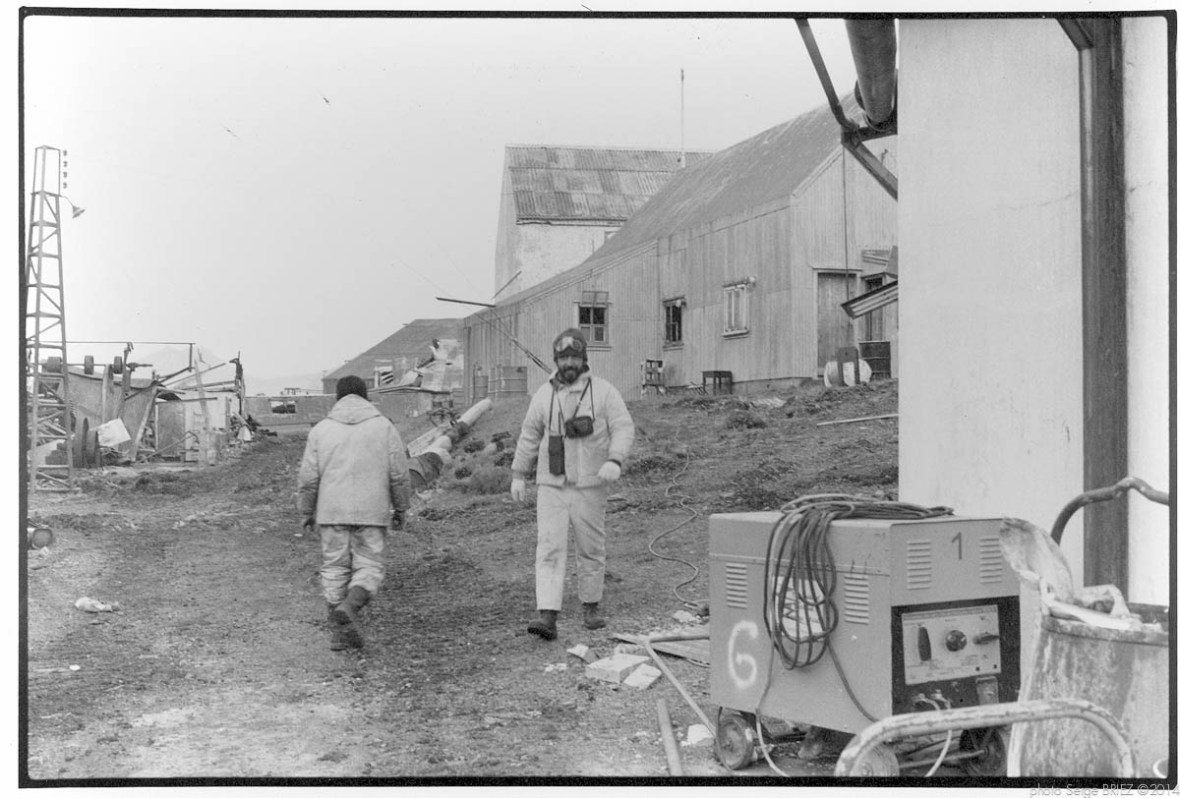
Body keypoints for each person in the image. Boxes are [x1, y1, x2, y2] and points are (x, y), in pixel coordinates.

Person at [510, 328, 635, 640]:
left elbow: (623, 427)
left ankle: (591, 606)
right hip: (552, 485)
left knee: (591, 547)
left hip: (591, 485)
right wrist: (518, 475)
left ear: (584, 359)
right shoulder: (543, 395)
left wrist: (614, 459)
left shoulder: (604, 392)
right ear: (556, 360)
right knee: (549, 548)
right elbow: (528, 435)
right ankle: (547, 615)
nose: (569, 363)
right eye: (563, 357)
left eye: (574, 357)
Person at [296, 375, 411, 651]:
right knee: (369, 566)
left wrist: (306, 510)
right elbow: (399, 475)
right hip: (372, 511)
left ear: (337, 398)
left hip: (331, 512)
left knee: (334, 568)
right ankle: (349, 607)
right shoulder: (384, 427)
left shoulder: (321, 430)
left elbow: (309, 478)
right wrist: (402, 507)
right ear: (366, 397)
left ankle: (338, 632)